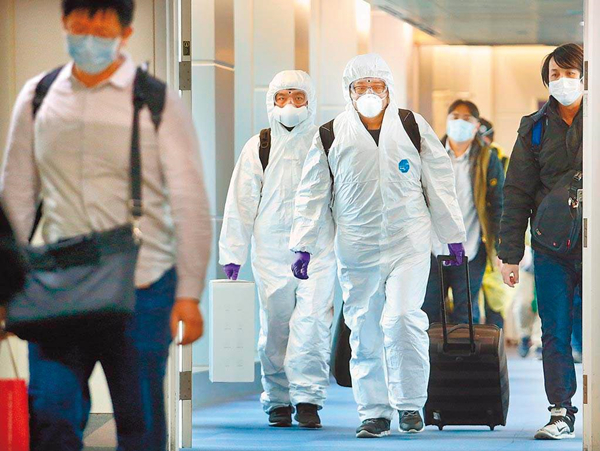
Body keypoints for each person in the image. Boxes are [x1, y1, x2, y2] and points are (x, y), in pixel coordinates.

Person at [0, 1, 212, 450]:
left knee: (140, 425)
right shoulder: (38, 96)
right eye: (80, 26)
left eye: (101, 29)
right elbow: (16, 196)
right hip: (59, 287)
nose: (89, 37)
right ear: (64, 24)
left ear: (125, 33)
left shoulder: (154, 100)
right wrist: (4, 286)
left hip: (142, 288)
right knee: (50, 414)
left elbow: (190, 200)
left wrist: (189, 294)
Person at [289, 53, 466, 438]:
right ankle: (374, 412)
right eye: (361, 86)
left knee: (403, 318)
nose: (369, 93)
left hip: (409, 242)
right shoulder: (330, 134)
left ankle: (409, 403)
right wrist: (303, 244)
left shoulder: (411, 126)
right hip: (357, 246)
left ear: (388, 89)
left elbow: (439, 182)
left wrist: (452, 235)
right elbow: (312, 193)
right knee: (364, 328)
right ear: (349, 91)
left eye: (377, 85)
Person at [219, 70, 337, 429]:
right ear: (271, 101)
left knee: (313, 324)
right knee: (276, 326)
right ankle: (278, 398)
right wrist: (233, 253)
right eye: (282, 97)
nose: (290, 105)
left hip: (319, 248)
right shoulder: (260, 145)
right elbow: (240, 202)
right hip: (271, 251)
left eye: (298, 97)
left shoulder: (326, 142)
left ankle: (308, 399)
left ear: (310, 101)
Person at [499, 43, 583, 440]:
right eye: (555, 75)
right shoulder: (533, 128)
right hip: (551, 248)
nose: (563, 81)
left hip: (595, 247)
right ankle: (561, 410)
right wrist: (509, 254)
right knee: (555, 331)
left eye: (570, 73)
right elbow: (516, 192)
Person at [423, 101, 504, 326]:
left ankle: (464, 351)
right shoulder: (430, 154)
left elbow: (498, 204)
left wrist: (501, 247)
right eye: (455, 116)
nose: (460, 122)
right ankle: (432, 351)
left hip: (470, 249)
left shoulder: (487, 158)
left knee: (466, 315)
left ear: (476, 125)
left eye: (467, 118)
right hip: (431, 248)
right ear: (447, 120)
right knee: (429, 312)